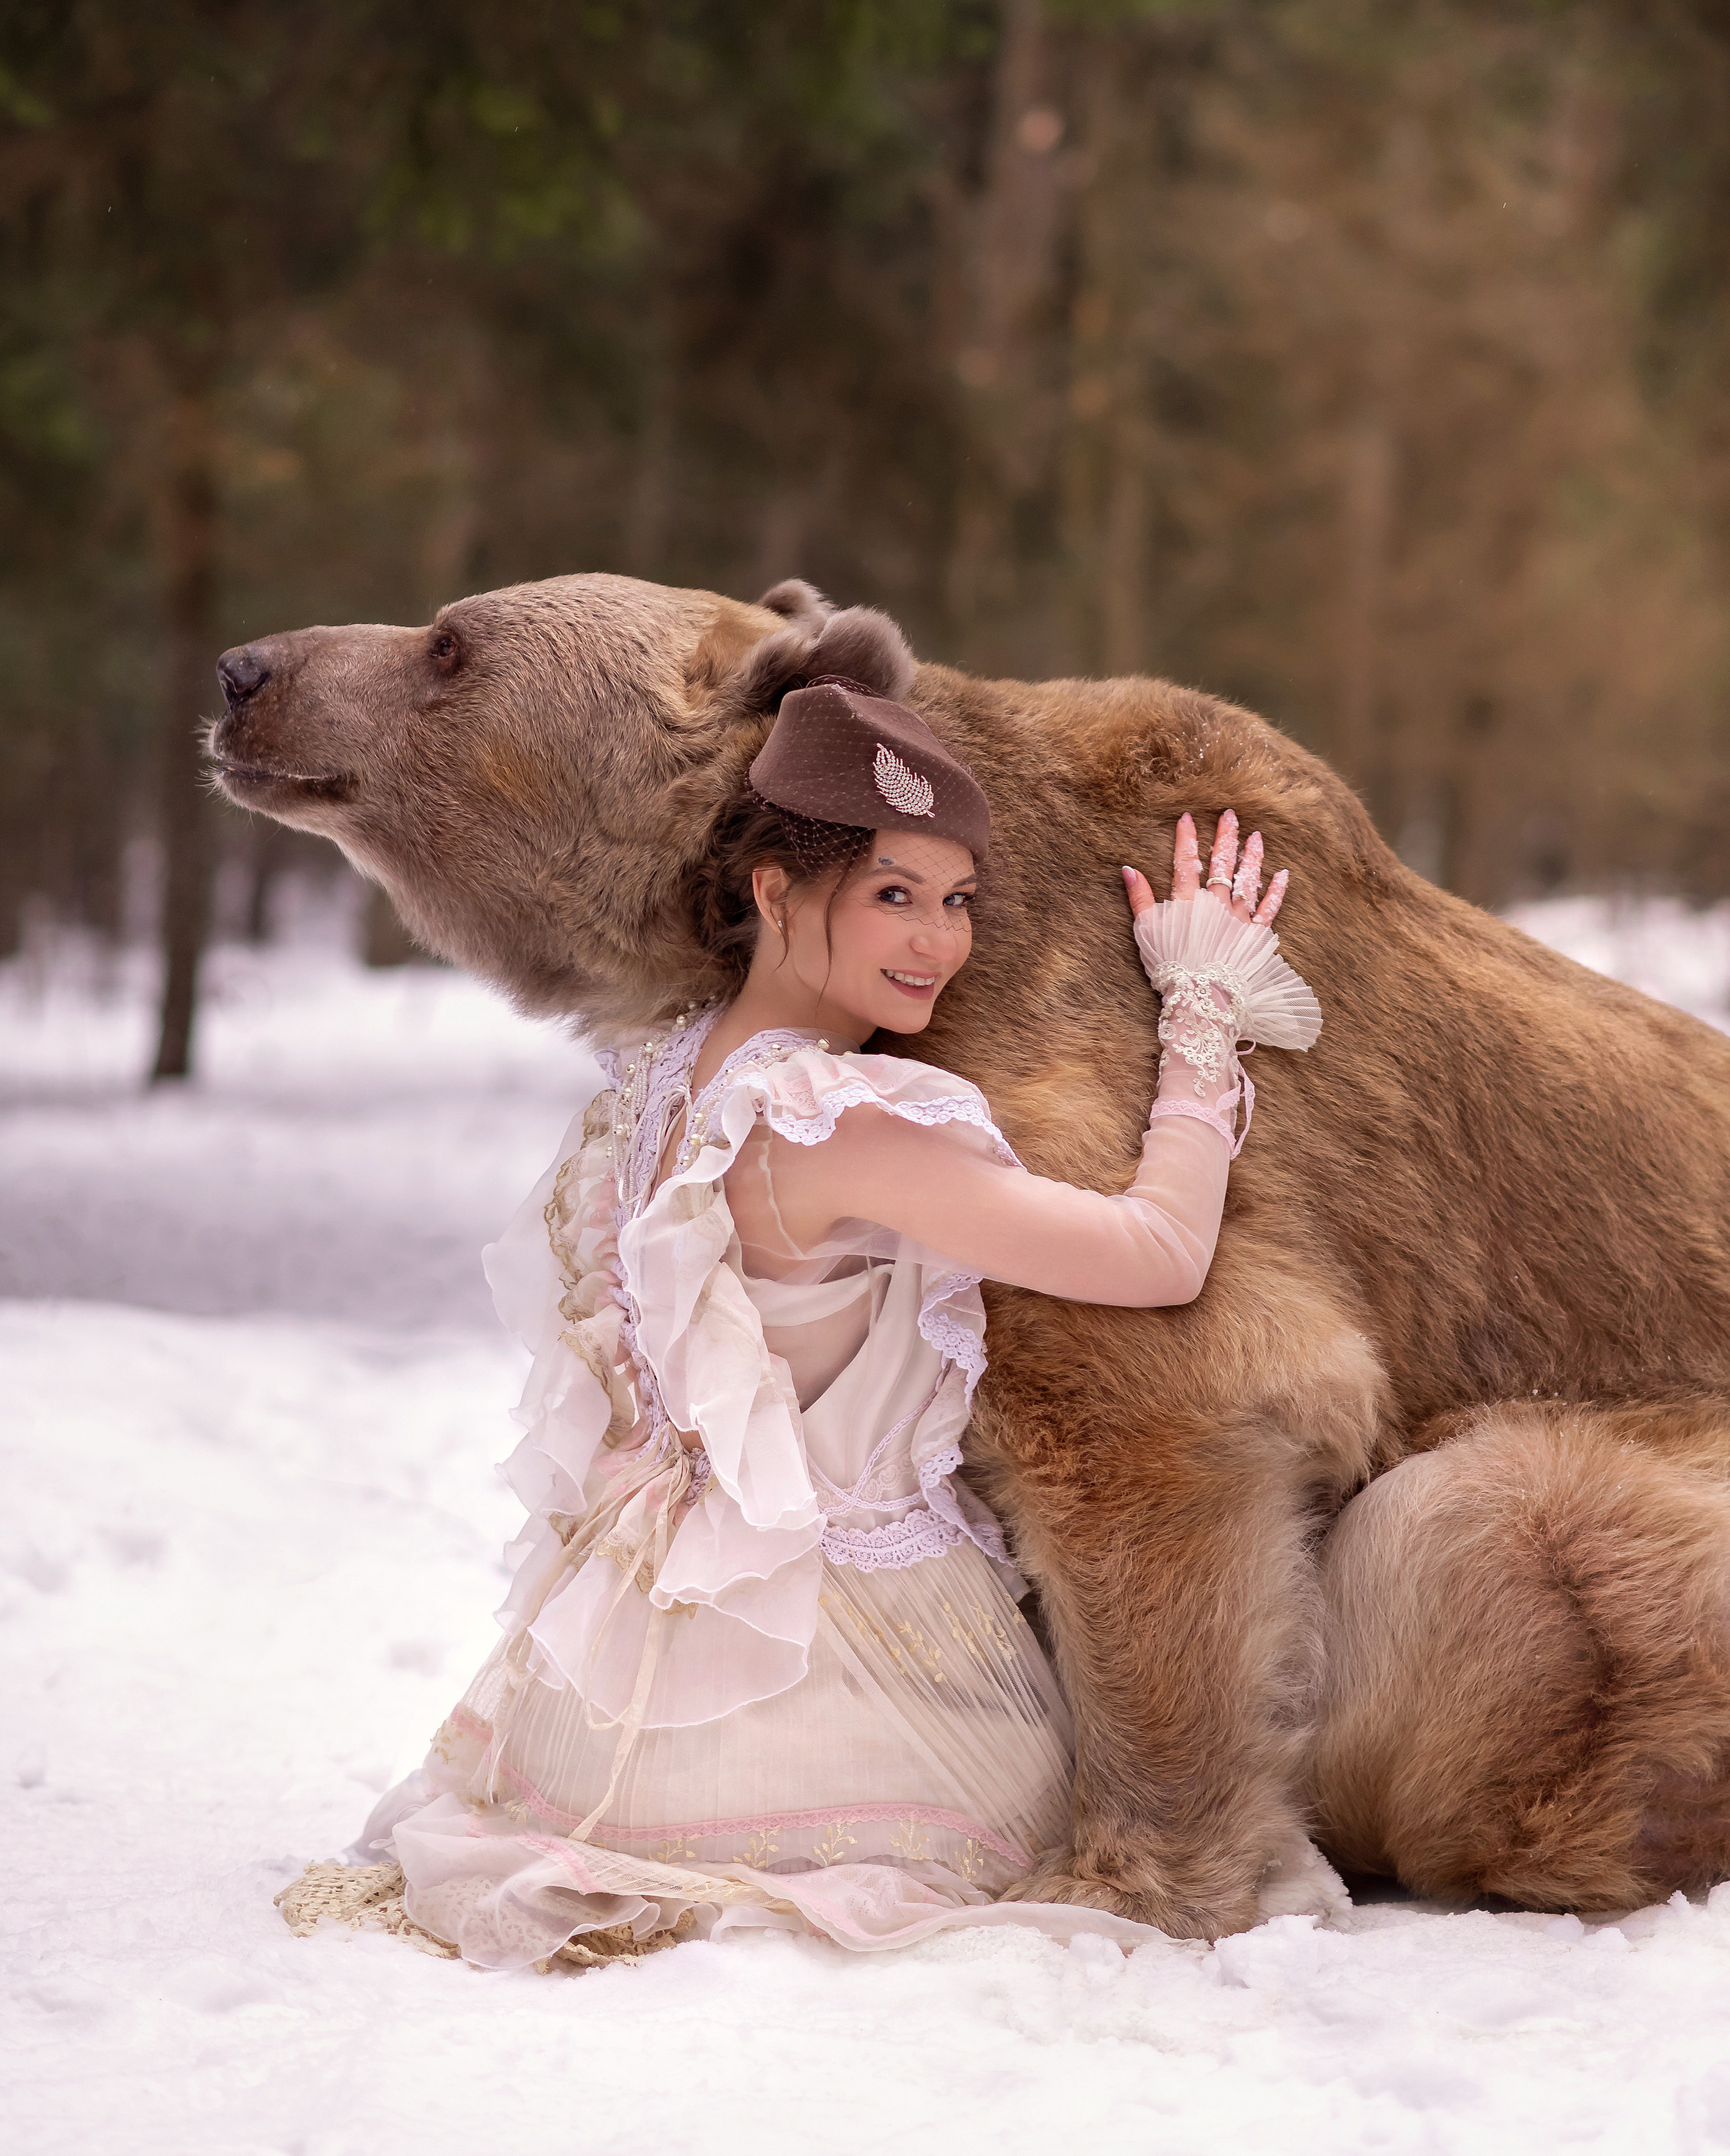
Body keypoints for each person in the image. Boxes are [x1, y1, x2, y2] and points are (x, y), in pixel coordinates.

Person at [327, 681, 1324, 1967]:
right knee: (1043, 1830)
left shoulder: (658, 1085)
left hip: (602, 1694)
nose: (936, 942)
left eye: (957, 899)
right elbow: (1159, 1254)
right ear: (773, 893)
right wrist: (1197, 1017)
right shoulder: (839, 1121)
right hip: (821, 1676)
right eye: (891, 894)